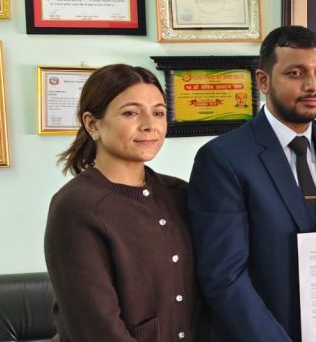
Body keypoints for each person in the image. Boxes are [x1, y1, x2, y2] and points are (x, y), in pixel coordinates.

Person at [188, 25, 316, 341]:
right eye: (295, 73)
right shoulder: (222, 158)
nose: (312, 85)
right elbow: (224, 277)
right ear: (264, 81)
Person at [44, 64, 206, 341]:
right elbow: (96, 327)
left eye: (158, 113)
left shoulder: (179, 193)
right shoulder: (75, 207)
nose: (150, 125)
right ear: (92, 124)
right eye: (131, 113)